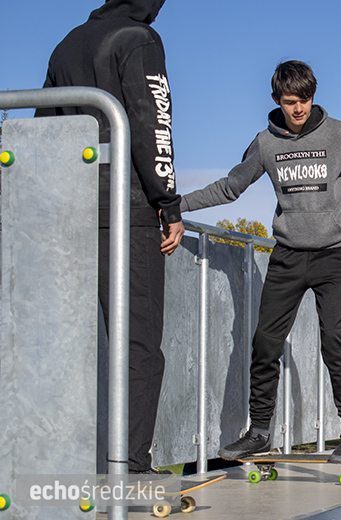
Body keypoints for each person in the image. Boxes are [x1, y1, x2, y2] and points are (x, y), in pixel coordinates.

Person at [181, 60, 341, 463]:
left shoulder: (339, 135)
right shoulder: (265, 143)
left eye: (305, 100)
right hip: (288, 256)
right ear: (276, 99)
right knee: (265, 343)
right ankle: (260, 432)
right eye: (291, 102)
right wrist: (175, 206)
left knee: (334, 338)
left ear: (313, 97)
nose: (299, 109)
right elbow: (230, 187)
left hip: (332, 255)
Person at [36, 0, 185, 474]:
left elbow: (44, 128)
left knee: (70, 344)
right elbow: (152, 124)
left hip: (69, 209)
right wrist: (168, 202)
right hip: (127, 208)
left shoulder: (67, 44)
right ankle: (130, 467)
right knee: (139, 346)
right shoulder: (139, 40)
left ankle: (64, 464)